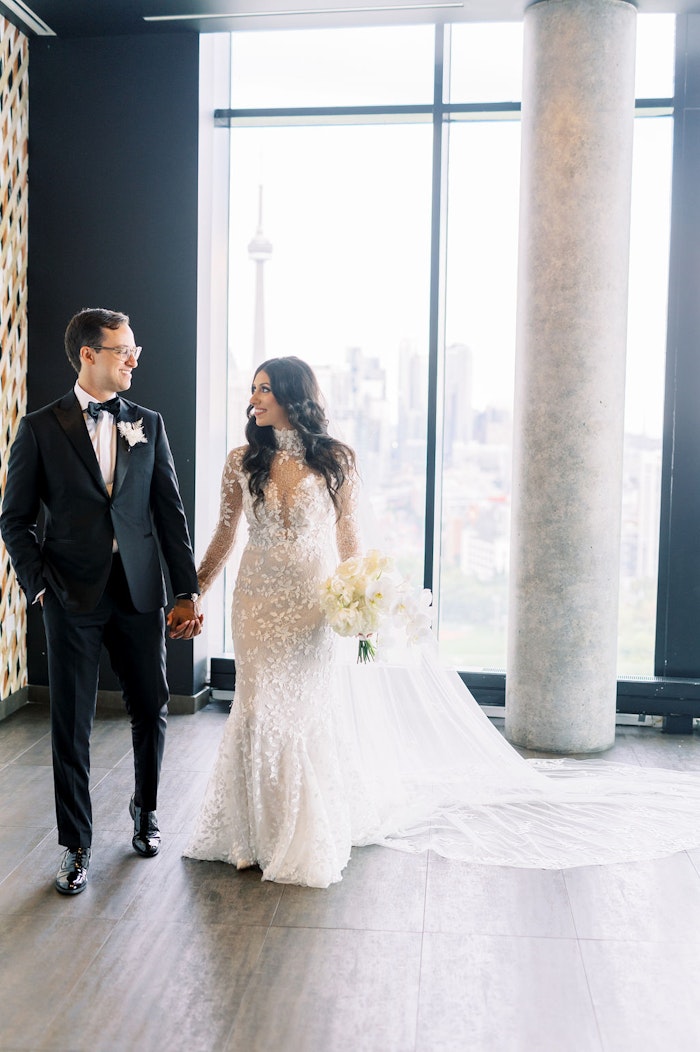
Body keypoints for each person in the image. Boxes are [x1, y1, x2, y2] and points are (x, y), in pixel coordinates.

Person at [186, 356, 700, 888]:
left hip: (310, 604)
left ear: (295, 395)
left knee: (299, 709)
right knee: (256, 703)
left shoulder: (337, 460)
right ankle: (249, 835)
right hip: (257, 599)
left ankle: (293, 833)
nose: (255, 398)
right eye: (253, 389)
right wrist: (193, 593)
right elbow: (225, 536)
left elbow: (349, 541)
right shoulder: (241, 460)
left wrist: (358, 600)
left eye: (265, 388)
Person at [0, 308, 203, 896]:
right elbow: (13, 520)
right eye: (122, 350)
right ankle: (75, 847)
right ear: (88, 354)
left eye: (132, 349)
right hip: (71, 595)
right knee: (71, 722)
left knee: (151, 705)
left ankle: (146, 813)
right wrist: (39, 583)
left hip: (140, 591)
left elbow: (170, 514)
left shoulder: (150, 423)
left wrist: (185, 588)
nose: (133, 359)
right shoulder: (41, 428)